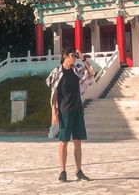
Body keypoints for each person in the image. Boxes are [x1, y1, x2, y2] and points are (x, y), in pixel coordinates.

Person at [46, 46, 95, 182]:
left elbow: (91, 73)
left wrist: (83, 58)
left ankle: (79, 171)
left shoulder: (76, 70)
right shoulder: (57, 72)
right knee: (64, 142)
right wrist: (54, 113)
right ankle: (62, 171)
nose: (74, 57)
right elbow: (53, 94)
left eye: (75, 55)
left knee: (77, 142)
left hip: (77, 110)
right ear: (65, 56)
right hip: (64, 111)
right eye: (72, 55)